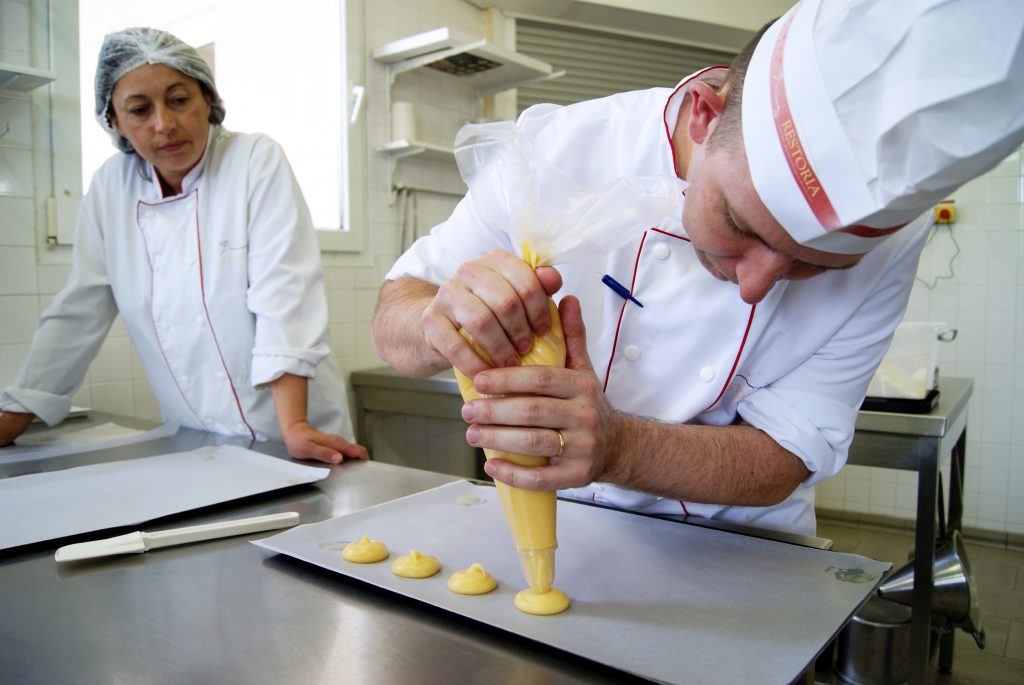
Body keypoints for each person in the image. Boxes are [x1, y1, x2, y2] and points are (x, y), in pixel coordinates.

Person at [371, 0, 1024, 535]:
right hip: (563, 529)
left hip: (745, 550)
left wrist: (620, 447)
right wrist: (441, 323)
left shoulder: (892, 241)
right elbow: (393, 314)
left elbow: (784, 454)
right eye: (741, 226)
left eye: (811, 264)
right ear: (705, 115)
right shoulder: (560, 150)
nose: (755, 284)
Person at [0, 27, 366, 465]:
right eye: (139, 109)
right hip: (196, 440)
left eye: (179, 100)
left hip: (298, 430)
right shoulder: (109, 189)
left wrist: (295, 426)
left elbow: (282, 295)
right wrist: (16, 410)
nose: (164, 124)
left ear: (207, 99)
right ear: (113, 121)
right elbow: (81, 307)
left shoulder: (253, 160)